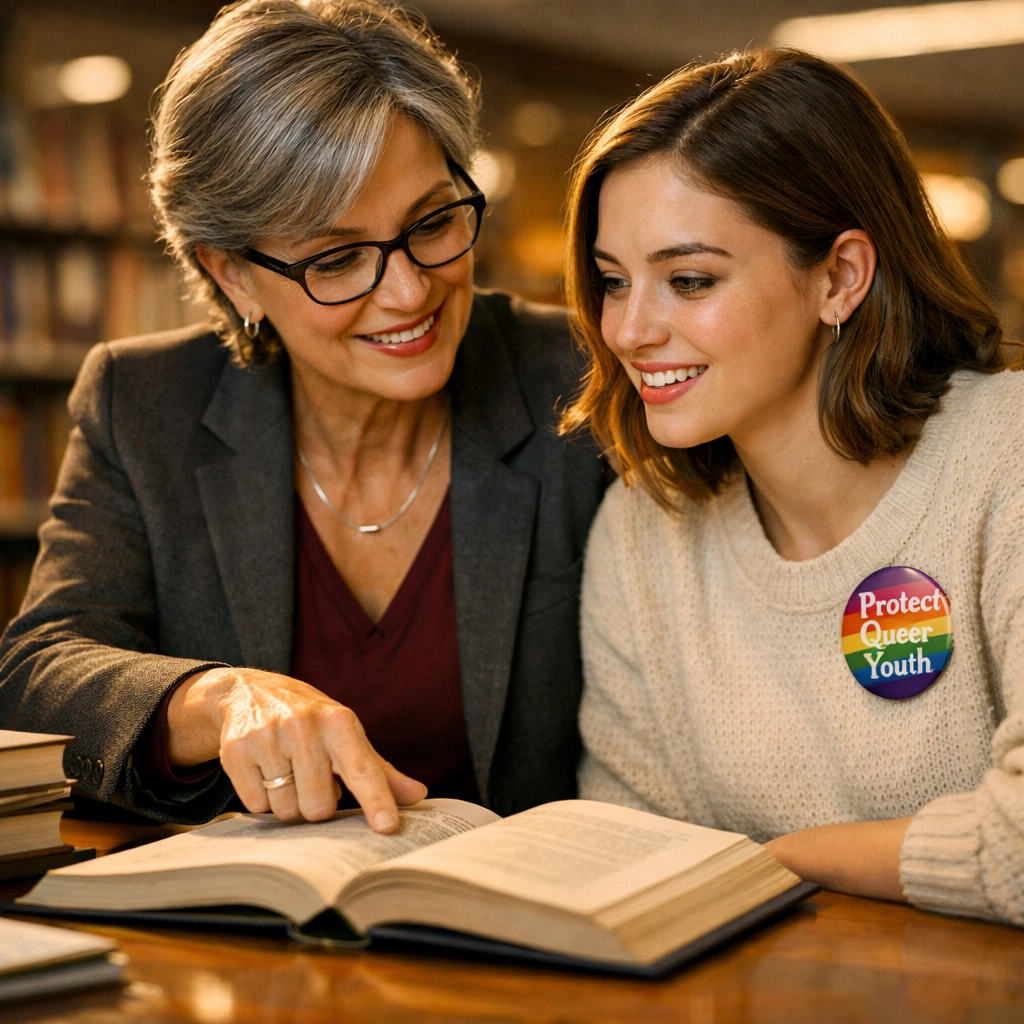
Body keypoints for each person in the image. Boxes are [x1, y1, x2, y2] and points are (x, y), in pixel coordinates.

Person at [0, 0, 604, 831]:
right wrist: (214, 700)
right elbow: (33, 676)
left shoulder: (577, 377)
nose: (409, 291)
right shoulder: (144, 404)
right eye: (338, 258)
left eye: (433, 223)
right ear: (232, 274)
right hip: (250, 910)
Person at [562, 48, 1024, 925]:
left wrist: (776, 862)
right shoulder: (643, 527)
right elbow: (630, 866)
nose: (628, 329)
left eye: (689, 281)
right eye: (615, 281)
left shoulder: (1010, 459)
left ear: (840, 278)